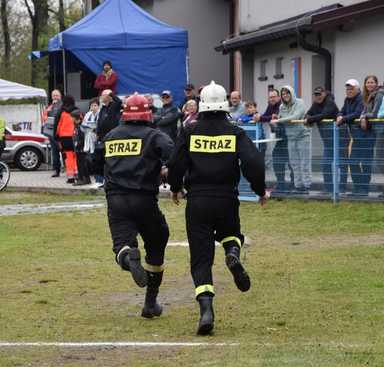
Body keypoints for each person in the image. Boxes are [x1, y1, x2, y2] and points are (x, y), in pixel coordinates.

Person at [167, 81, 269, 336]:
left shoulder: (189, 131)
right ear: (225, 105)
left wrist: (176, 187)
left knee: (201, 258)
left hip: (198, 201)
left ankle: (206, 311)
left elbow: (176, 162)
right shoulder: (235, 132)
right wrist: (259, 189)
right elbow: (254, 162)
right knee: (231, 233)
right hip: (226, 198)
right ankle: (233, 252)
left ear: (201, 105)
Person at [103, 93, 174, 318]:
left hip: (116, 200)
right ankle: (150, 302)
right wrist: (166, 171)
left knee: (121, 244)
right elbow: (173, 154)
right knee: (157, 240)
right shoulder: (154, 136)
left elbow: (95, 160)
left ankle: (127, 256)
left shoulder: (111, 136)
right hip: (144, 199)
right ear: (148, 113)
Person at [272, 86, 311, 194]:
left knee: (304, 162)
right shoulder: (281, 107)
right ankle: (298, 186)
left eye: (287, 93)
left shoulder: (300, 102)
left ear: (292, 93)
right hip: (290, 137)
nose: (285, 95)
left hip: (303, 136)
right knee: (294, 163)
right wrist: (276, 120)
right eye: (283, 94)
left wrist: (279, 120)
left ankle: (307, 185)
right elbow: (280, 119)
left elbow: (296, 116)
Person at [305, 86, 340, 193]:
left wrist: (310, 119)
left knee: (341, 165)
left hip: (339, 139)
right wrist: (307, 117)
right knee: (325, 164)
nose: (318, 96)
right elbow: (309, 113)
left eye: (319, 94)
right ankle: (329, 189)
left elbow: (324, 115)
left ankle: (341, 189)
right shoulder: (315, 104)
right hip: (328, 142)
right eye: (316, 94)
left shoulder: (330, 102)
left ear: (324, 94)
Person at [337, 79, 366, 195]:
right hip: (355, 136)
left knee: (364, 164)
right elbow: (342, 111)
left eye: (351, 89)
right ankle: (358, 188)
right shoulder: (347, 100)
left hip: (363, 136)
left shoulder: (361, 99)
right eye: (347, 89)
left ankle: (363, 189)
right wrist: (340, 116)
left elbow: (357, 114)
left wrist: (343, 119)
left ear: (358, 89)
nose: (349, 91)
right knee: (353, 162)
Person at [358, 75, 384, 195]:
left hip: (381, 131)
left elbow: (375, 113)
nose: (369, 84)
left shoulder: (378, 94)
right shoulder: (368, 96)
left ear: (376, 83)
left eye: (372, 82)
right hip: (373, 131)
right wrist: (363, 116)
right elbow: (364, 111)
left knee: (381, 159)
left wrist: (363, 117)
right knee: (379, 159)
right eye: (367, 82)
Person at [95, 89, 123, 188]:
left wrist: (111, 94)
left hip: (112, 137)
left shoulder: (114, 106)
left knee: (113, 160)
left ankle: (114, 181)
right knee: (104, 160)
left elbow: (119, 101)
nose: (102, 97)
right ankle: (105, 181)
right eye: (102, 95)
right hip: (103, 138)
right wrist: (97, 133)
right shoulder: (102, 108)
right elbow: (100, 122)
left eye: (104, 95)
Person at [54, 95, 80, 183]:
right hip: (75, 136)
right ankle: (77, 173)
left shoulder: (61, 112)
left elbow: (57, 125)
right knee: (76, 156)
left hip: (64, 138)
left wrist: (56, 137)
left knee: (68, 157)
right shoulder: (77, 110)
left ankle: (70, 177)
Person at [42, 89, 63, 177]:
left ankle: (69, 170)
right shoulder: (49, 107)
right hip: (52, 133)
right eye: (53, 95)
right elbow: (44, 116)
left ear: (60, 96)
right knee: (55, 152)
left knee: (65, 152)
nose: (55, 97)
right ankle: (56, 170)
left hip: (62, 132)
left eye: (56, 95)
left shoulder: (63, 105)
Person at [79, 98, 100, 185]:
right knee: (88, 157)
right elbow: (83, 125)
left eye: (95, 105)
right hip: (88, 136)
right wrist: (85, 128)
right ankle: (90, 175)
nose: (93, 107)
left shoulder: (100, 114)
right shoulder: (88, 114)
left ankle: (98, 177)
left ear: (98, 106)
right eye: (92, 105)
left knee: (97, 158)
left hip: (97, 137)